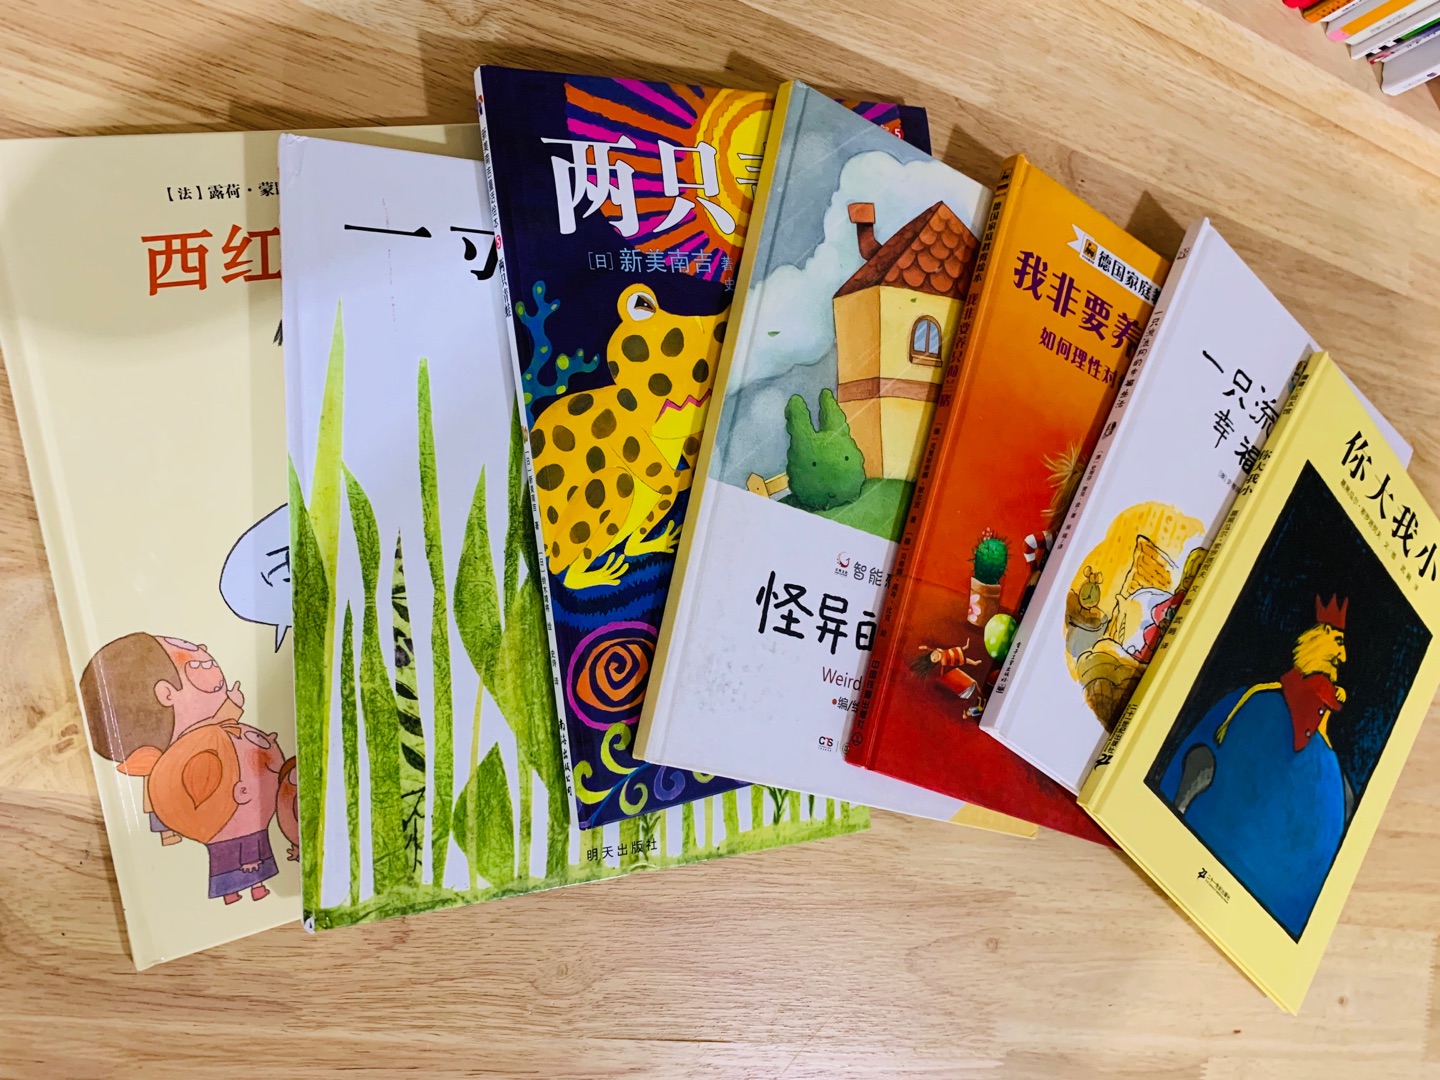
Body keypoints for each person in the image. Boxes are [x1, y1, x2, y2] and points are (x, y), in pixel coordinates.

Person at [1158, 595, 1350, 937]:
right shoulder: (1253, 705)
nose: (1343, 657)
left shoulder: (1327, 766)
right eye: (1337, 642)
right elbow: (1191, 768)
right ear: (1318, 641)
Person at [118, 718, 285, 904]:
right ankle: (242, 889)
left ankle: (238, 890)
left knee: (231, 859)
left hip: (238, 834)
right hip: (228, 833)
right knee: (236, 858)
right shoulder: (223, 759)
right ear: (242, 791)